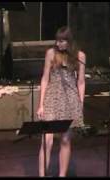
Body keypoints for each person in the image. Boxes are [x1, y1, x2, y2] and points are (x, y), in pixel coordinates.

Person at [36, 26, 86, 177]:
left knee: (65, 140)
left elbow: (81, 82)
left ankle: (62, 175)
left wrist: (80, 104)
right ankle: (42, 174)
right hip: (52, 97)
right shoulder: (51, 53)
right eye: (57, 41)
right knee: (47, 139)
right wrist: (41, 104)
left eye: (62, 41)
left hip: (70, 100)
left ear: (69, 41)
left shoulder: (80, 56)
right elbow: (45, 78)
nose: (58, 44)